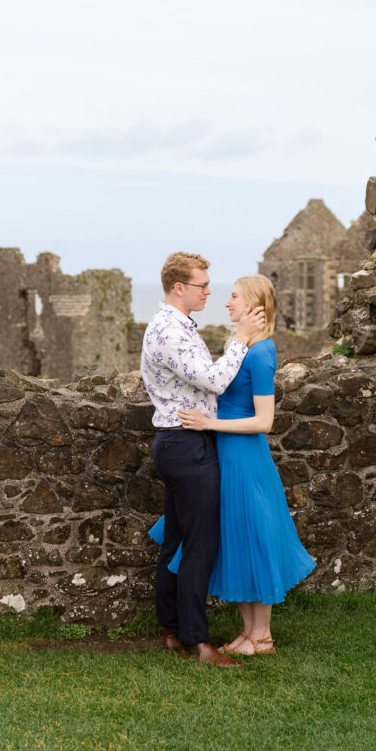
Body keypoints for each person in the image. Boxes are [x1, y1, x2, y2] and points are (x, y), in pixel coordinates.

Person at [155, 274, 316, 656]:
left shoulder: (261, 352)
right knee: (237, 540)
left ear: (254, 306)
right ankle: (248, 632)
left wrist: (209, 423)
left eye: (233, 297)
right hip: (224, 453)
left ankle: (262, 636)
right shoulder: (239, 345)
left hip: (244, 457)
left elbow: (264, 421)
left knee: (256, 538)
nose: (226, 303)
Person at [140, 252, 265, 668]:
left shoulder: (176, 326)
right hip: (185, 446)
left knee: (176, 542)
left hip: (180, 443)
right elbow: (213, 379)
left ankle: (174, 630)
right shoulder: (168, 331)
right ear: (179, 288)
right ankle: (197, 642)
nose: (209, 292)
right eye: (202, 286)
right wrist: (240, 340)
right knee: (199, 546)